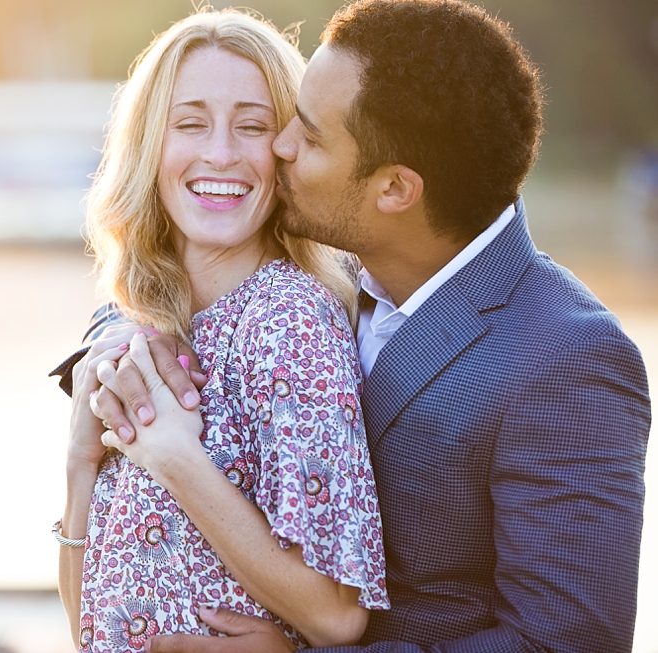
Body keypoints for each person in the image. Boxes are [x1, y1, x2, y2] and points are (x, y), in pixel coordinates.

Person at [81, 1, 652, 652]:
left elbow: (566, 644)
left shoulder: (565, 358)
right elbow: (192, 278)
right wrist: (111, 347)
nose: (280, 145)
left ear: (394, 190)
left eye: (310, 134)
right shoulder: (339, 275)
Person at [54, 9, 390, 653]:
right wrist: (80, 462)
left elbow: (337, 616)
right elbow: (90, 627)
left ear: (287, 148)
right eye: (190, 123)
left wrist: (177, 457)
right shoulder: (143, 328)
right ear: (150, 144)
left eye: (252, 126)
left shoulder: (288, 321)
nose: (221, 153)